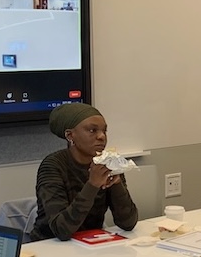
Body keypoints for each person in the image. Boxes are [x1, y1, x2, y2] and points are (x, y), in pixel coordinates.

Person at [29, 102, 138, 242]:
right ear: (70, 135)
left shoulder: (107, 163)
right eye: (92, 130)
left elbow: (128, 223)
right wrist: (92, 184)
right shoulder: (53, 165)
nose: (102, 137)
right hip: (49, 246)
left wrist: (117, 184)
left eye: (104, 131)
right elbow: (61, 230)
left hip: (90, 244)